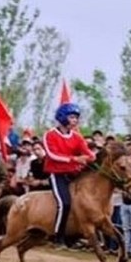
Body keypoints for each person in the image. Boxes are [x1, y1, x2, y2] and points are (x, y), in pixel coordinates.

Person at [43, 101, 98, 242]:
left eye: (76, 118)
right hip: (57, 175)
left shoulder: (77, 136)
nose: (75, 120)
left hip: (74, 174)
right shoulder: (50, 135)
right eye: (72, 117)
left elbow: (87, 152)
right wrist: (74, 159)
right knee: (65, 203)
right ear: (63, 117)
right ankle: (57, 234)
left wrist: (91, 156)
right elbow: (52, 155)